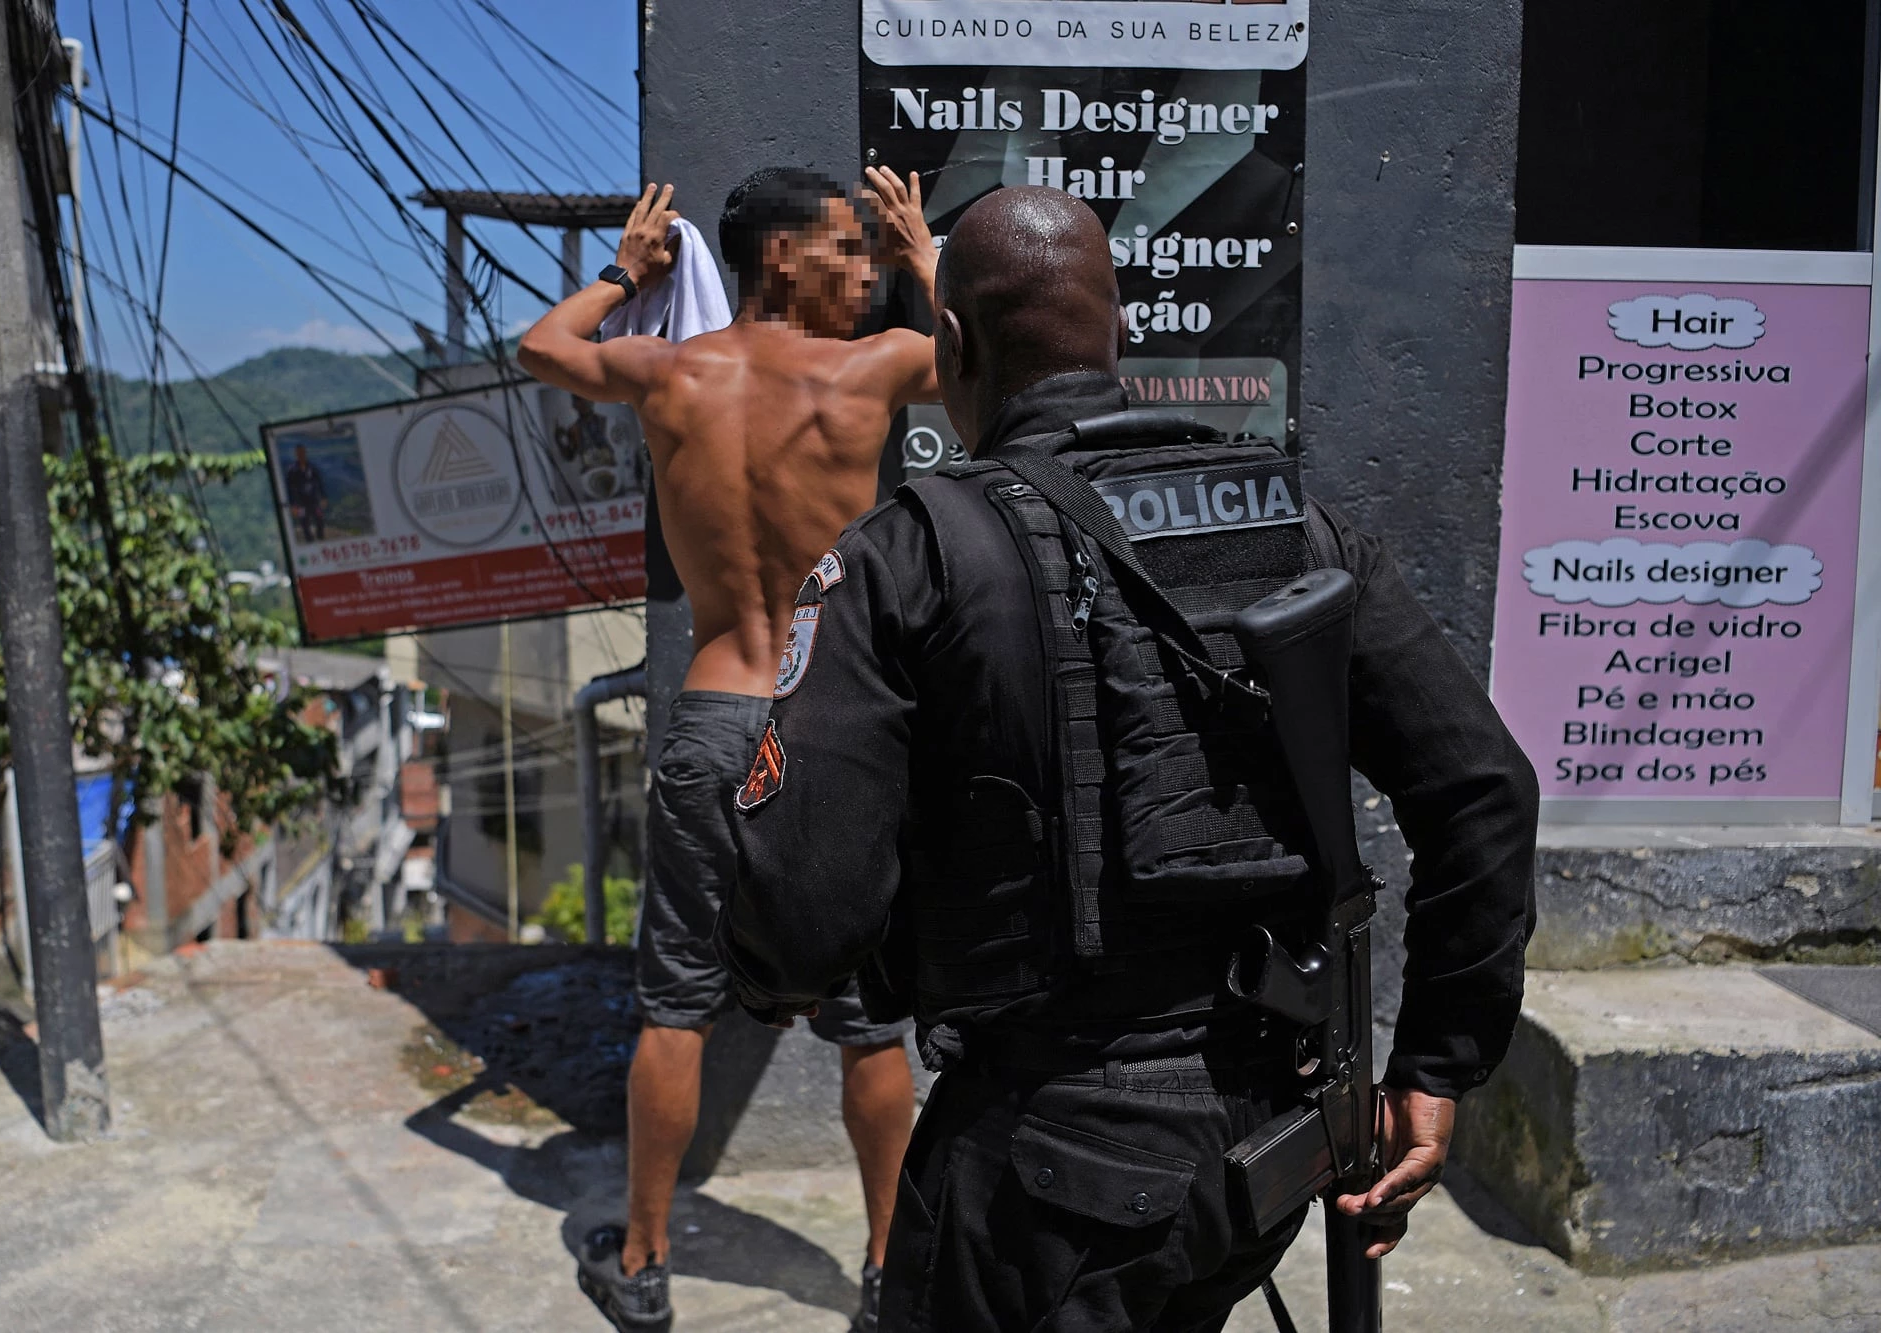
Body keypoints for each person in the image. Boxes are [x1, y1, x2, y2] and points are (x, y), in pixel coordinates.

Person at [714, 186, 1540, 1330]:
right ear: (1118, 336)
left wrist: (778, 974)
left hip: (1041, 1170)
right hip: (1263, 1148)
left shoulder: (909, 554)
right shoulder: (1291, 524)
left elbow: (797, 910)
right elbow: (1484, 791)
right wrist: (1436, 1065)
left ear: (949, 343)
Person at [516, 165, 944, 1333]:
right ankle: (884, 1269)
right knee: (867, 1014)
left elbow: (542, 349)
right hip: (836, 726)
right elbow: (989, 360)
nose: (864, 273)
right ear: (781, 260)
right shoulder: (873, 370)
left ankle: (642, 1262)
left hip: (714, 713)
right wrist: (924, 256)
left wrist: (623, 271)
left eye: (872, 255)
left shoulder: (670, 376)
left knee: (675, 1004)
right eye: (847, 252)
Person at [284, 443, 328, 543]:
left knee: (319, 519)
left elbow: (319, 482)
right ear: (296, 454)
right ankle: (310, 542)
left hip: (314, 500)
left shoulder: (312, 468)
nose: (301, 454)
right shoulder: (292, 471)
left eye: (303, 452)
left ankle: (320, 538)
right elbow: (290, 489)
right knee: (304, 523)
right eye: (299, 453)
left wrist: (323, 497)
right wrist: (293, 505)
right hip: (300, 502)